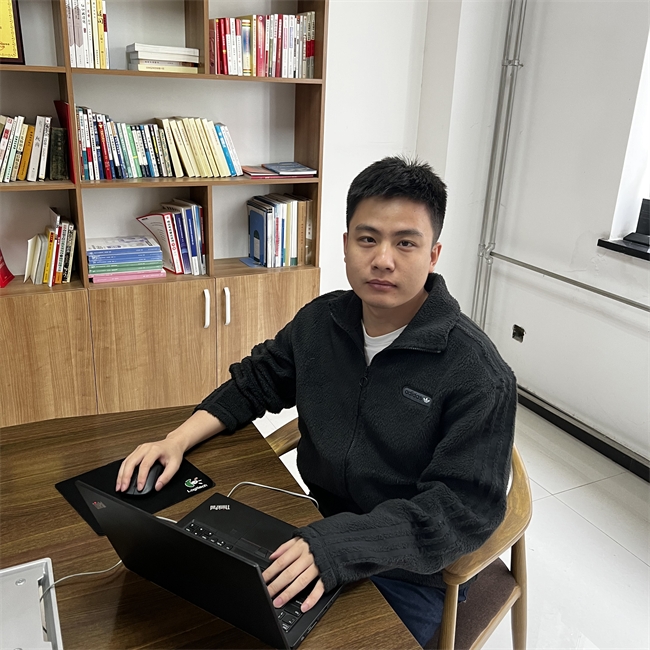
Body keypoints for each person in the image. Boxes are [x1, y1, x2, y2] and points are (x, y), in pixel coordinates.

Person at [116, 156, 517, 647]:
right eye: (367, 239)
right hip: (314, 523)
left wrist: (338, 544)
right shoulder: (320, 322)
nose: (383, 259)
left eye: (405, 243)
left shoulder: (479, 374)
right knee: (192, 604)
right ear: (345, 244)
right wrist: (175, 441)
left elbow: (458, 511)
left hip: (408, 570)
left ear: (433, 254)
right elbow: (256, 381)